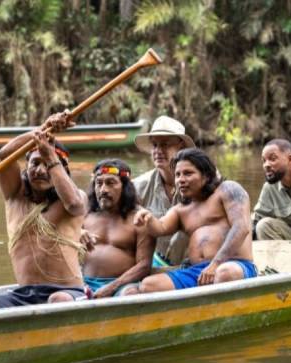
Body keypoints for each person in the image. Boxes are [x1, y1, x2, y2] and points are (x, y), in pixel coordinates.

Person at [0, 114, 89, 311]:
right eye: (35, 163)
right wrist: (42, 129)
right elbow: (3, 156)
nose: (41, 170)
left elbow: (75, 206)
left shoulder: (75, 198)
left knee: (58, 301)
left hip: (67, 292)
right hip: (25, 294)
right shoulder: (14, 196)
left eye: (47, 165)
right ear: (26, 167)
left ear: (61, 169)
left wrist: (51, 156)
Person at [130, 148, 257, 293]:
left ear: (206, 176)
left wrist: (215, 264)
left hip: (234, 265)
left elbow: (242, 227)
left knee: (224, 273)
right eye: (177, 175)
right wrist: (147, 218)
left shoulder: (227, 189)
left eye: (188, 173)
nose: (181, 180)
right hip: (197, 272)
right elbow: (160, 227)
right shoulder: (181, 210)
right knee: (148, 285)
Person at [82, 158, 155, 298]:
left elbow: (144, 265)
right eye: (99, 183)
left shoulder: (140, 218)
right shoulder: (85, 215)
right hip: (83, 283)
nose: (103, 190)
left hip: (122, 286)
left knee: (130, 294)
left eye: (110, 183)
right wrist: (77, 233)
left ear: (125, 187)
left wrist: (111, 288)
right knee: (59, 298)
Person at [132, 116, 195, 266]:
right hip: (152, 264)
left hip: (191, 263)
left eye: (165, 145)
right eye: (155, 145)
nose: (158, 151)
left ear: (181, 147)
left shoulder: (199, 182)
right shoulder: (138, 187)